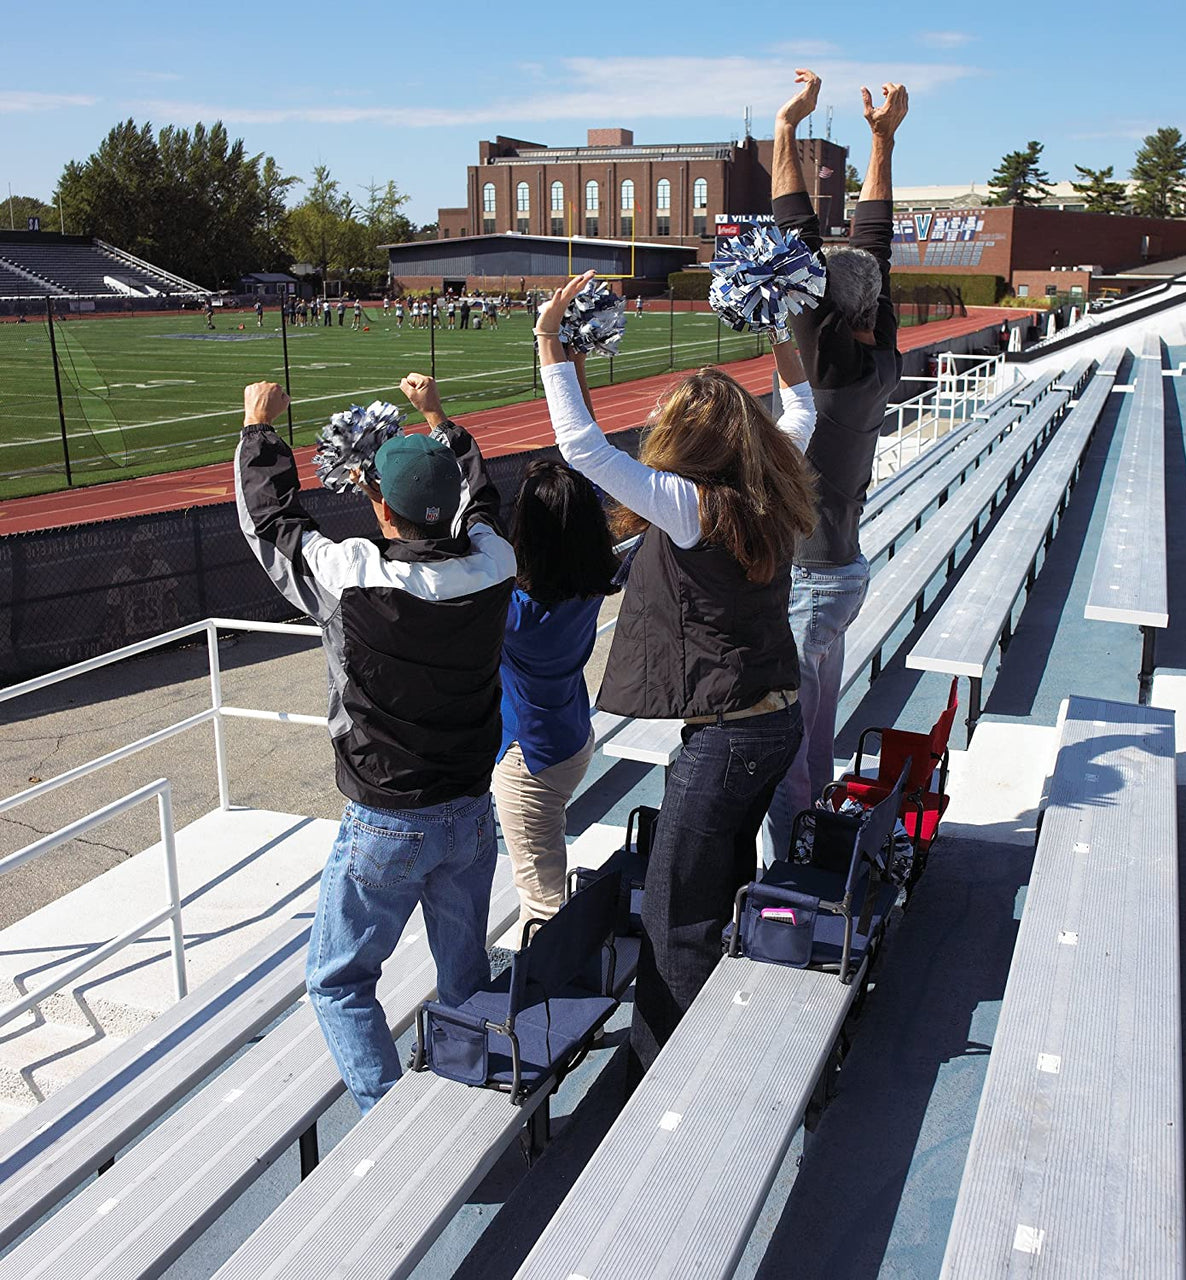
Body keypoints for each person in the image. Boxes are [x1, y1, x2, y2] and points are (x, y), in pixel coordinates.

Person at [535, 269, 817, 1078]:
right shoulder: (768, 482)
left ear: (693, 441)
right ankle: (721, 1026)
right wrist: (778, 330)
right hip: (773, 719)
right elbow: (800, 413)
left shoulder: (692, 507)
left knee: (674, 917)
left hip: (728, 736)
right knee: (723, 878)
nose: (654, 422)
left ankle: (670, 1071)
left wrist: (552, 344)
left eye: (666, 418)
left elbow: (581, 448)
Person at [234, 372, 516, 1114]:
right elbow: (482, 501)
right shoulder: (495, 564)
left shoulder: (350, 575)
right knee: (464, 976)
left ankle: (390, 1121)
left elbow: (272, 525)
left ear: (379, 506)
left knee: (336, 980)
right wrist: (439, 418)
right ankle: (475, 1090)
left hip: (385, 823)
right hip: (469, 814)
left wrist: (260, 431)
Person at [762, 69, 909, 862]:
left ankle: (794, 876)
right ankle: (816, 851)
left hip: (812, 582)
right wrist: (881, 143)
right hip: (842, 573)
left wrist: (786, 129)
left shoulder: (834, 373)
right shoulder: (878, 357)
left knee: (784, 754)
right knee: (814, 742)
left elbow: (793, 237)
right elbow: (872, 248)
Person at [493, 459, 620, 927]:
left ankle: (558, 991)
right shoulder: (594, 584)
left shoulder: (515, 614)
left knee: (543, 900)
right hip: (570, 739)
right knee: (546, 872)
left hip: (532, 760)